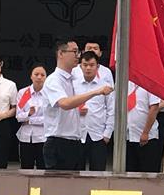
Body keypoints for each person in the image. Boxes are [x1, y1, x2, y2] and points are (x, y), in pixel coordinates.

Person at [42, 40, 113, 170]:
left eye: (78, 52)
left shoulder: (71, 79)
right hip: (59, 142)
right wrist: (96, 92)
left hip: (75, 141)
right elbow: (65, 103)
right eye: (74, 52)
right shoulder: (54, 80)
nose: (78, 56)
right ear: (61, 54)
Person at [73, 51, 114, 171]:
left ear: (97, 66)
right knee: (75, 172)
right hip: (77, 134)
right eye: (85, 65)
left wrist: (107, 134)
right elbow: (66, 104)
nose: (88, 68)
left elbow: (111, 110)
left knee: (98, 173)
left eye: (91, 65)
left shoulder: (105, 86)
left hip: (98, 135)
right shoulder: (73, 84)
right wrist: (76, 110)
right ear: (80, 66)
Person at [15, 64, 47, 169]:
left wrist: (30, 120)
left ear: (46, 77)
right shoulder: (24, 93)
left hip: (43, 137)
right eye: (36, 74)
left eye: (42, 75)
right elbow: (18, 117)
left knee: (43, 168)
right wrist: (28, 114)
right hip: (26, 137)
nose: (39, 77)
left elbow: (49, 119)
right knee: (26, 168)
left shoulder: (49, 93)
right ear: (31, 76)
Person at [127, 81, 162, 172]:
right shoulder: (127, 83)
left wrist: (145, 132)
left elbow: (154, 108)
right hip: (129, 136)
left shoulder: (150, 83)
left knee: (148, 172)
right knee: (131, 173)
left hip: (147, 138)